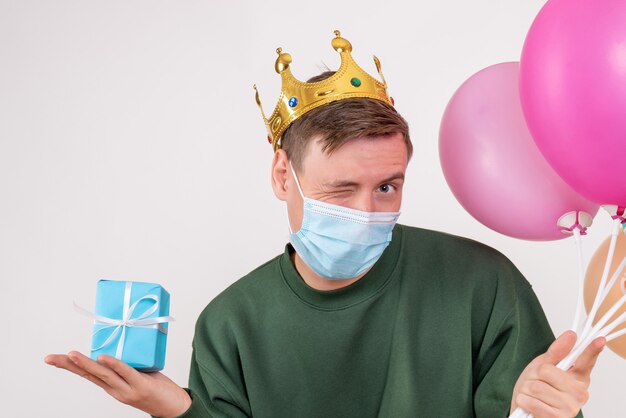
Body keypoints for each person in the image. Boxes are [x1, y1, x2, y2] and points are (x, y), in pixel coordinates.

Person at [45, 31, 605, 418]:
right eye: (341, 189)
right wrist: (177, 409)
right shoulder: (230, 324)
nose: (366, 213)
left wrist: (546, 408)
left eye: (388, 187)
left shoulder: (484, 285)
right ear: (282, 175)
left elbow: (533, 407)